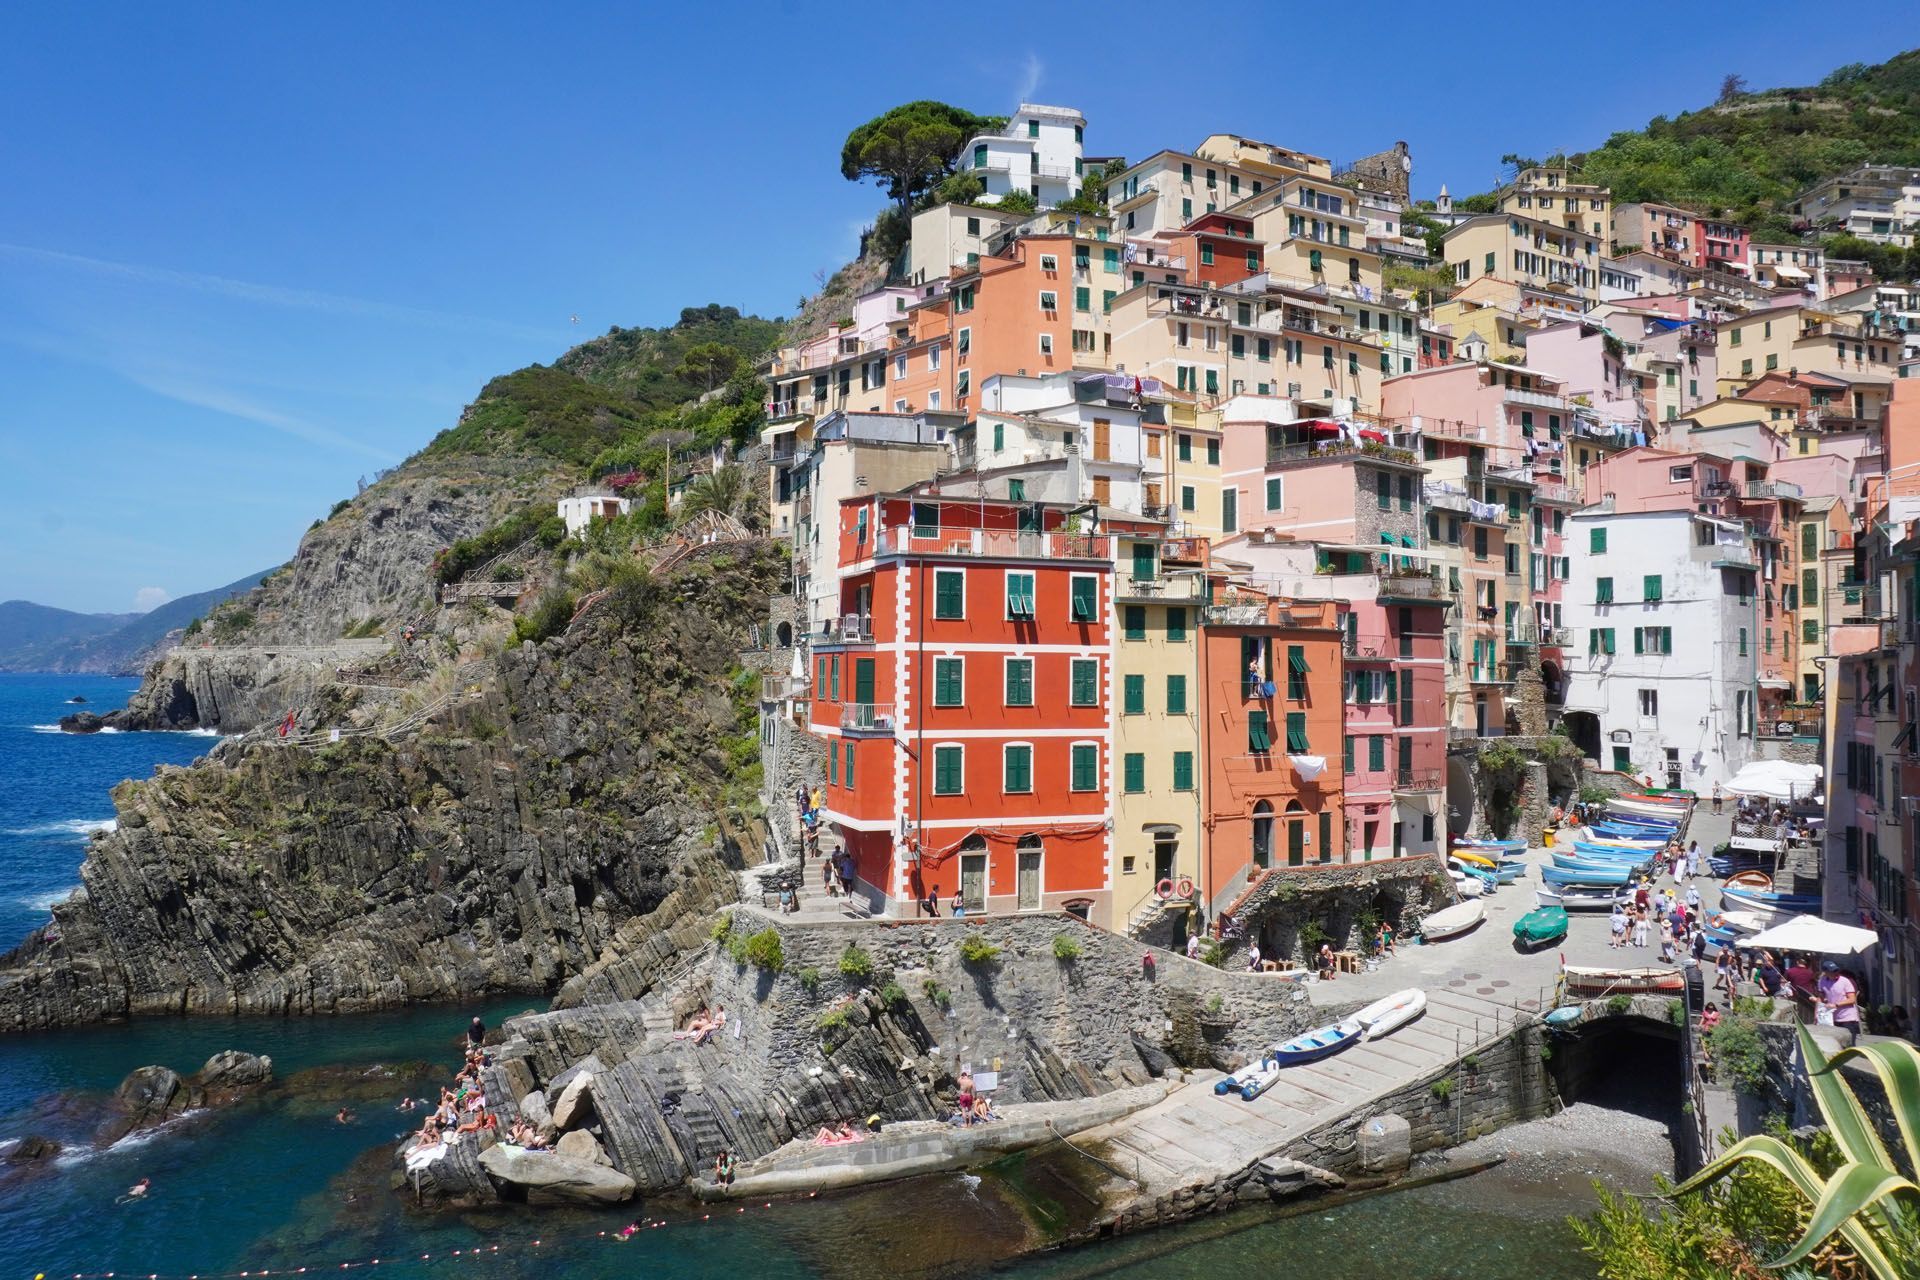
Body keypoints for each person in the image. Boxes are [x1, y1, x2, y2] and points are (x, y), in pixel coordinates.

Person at [1818, 961, 1861, 1045]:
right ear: (1826, 972)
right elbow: (1820, 998)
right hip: (1832, 1018)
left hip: (1848, 1018)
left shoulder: (1845, 981)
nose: (1836, 973)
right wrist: (1817, 1014)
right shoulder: (1822, 981)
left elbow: (1852, 999)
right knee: (1835, 1045)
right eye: (1833, 971)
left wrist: (1836, 1005)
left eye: (1836, 970)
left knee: (1849, 1046)